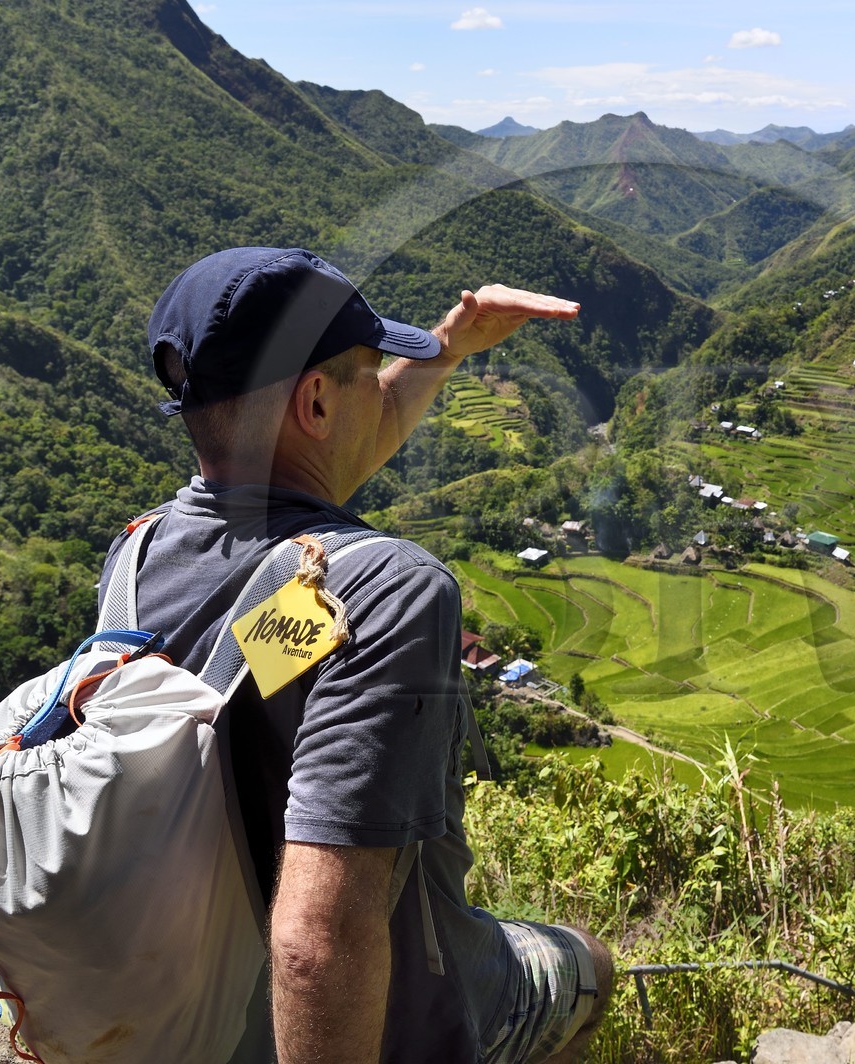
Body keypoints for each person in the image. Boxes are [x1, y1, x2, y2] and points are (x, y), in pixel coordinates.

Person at [98, 246, 615, 1063]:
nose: (381, 393)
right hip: (395, 1019)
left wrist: (447, 347)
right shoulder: (387, 590)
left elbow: (320, 468)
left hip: (192, 998)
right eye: (370, 373)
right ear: (314, 401)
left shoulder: (134, 561)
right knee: (588, 964)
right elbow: (314, 947)